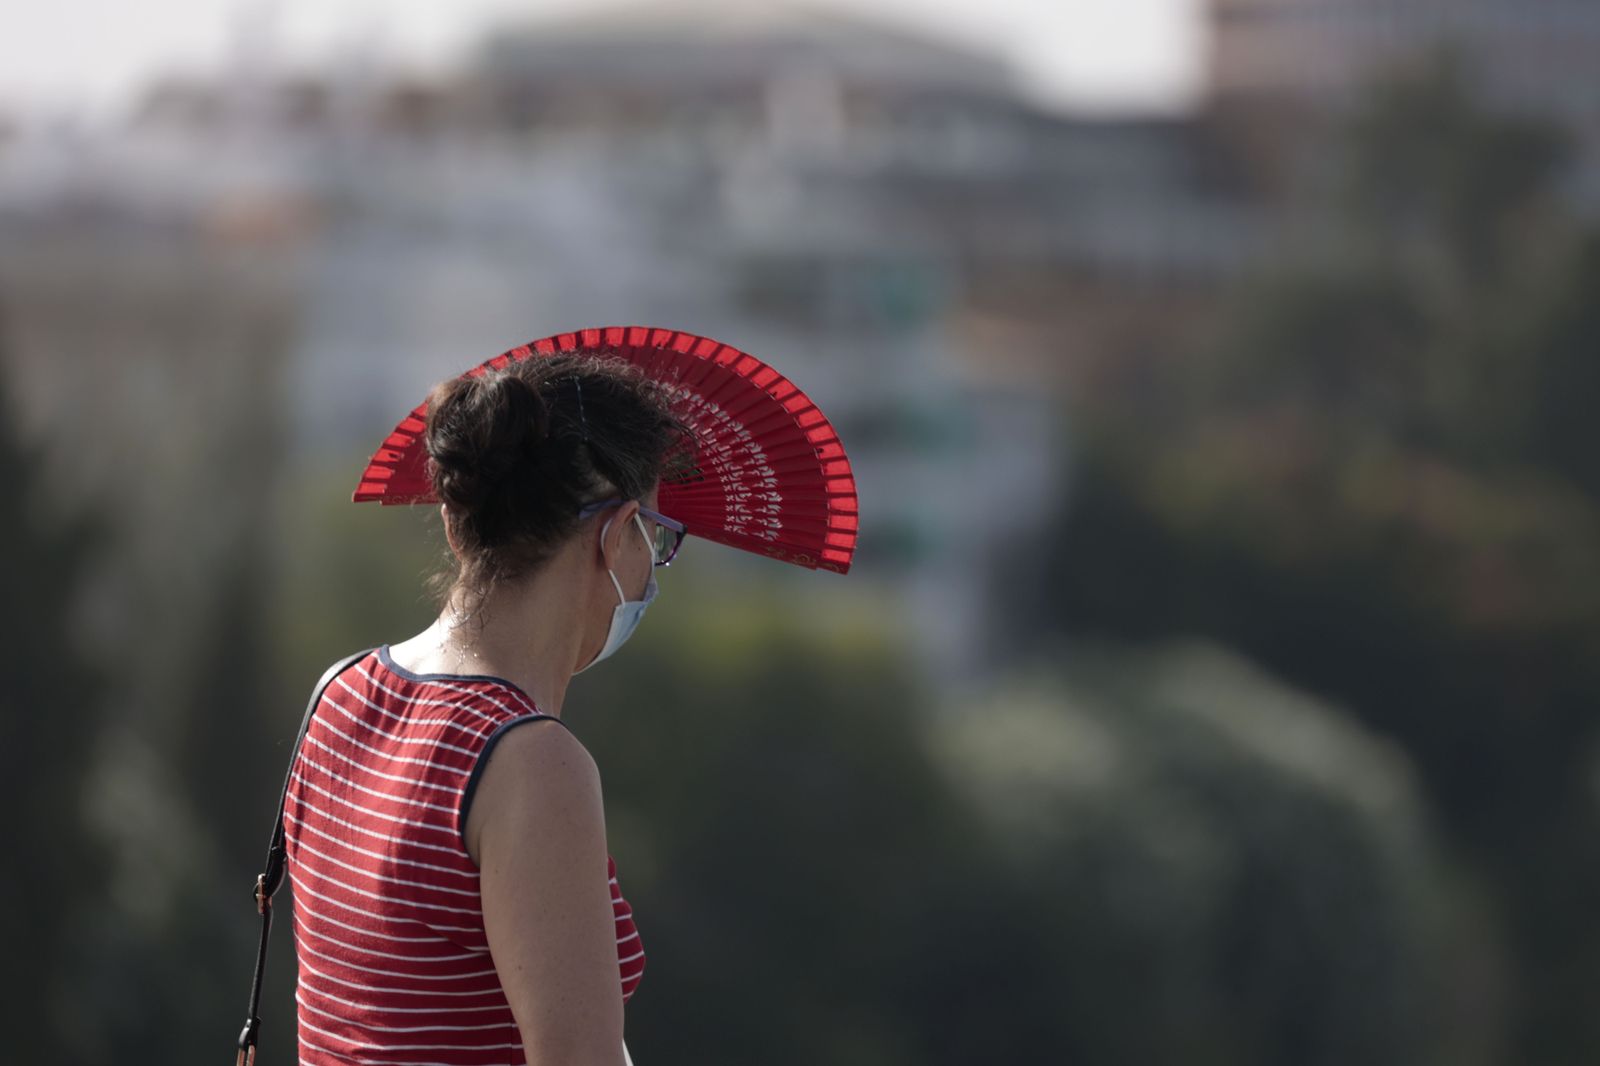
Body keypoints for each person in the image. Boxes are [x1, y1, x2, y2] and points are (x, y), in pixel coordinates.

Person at [282, 351, 692, 1066]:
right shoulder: (532, 765)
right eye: (653, 537)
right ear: (614, 533)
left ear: (455, 523)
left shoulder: (337, 696)